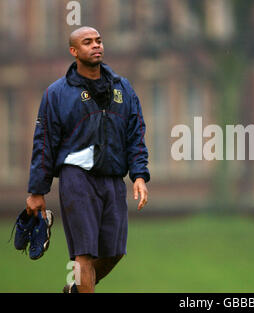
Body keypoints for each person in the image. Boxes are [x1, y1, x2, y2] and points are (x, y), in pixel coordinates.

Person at [25, 26, 150, 293]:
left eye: (99, 41)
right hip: (77, 180)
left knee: (115, 251)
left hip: (113, 179)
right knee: (83, 253)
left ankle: (74, 290)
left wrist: (139, 175)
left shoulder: (123, 88)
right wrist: (37, 191)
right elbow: (44, 143)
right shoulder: (56, 94)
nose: (96, 46)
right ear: (74, 51)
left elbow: (136, 133)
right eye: (87, 42)